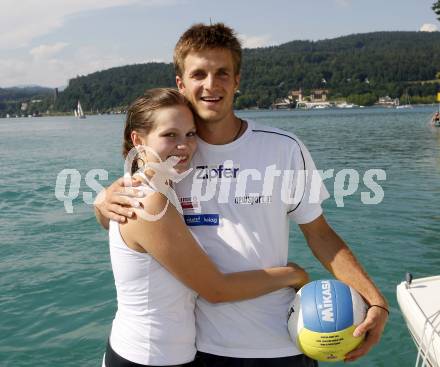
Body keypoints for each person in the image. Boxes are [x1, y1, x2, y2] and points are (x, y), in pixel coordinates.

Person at [95, 24, 388, 366]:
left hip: (284, 339)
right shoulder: (170, 156)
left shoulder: (282, 148)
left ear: (237, 80)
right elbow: (129, 221)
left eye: (222, 73)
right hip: (201, 349)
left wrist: (376, 301)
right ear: (181, 83)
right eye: (199, 73)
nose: (211, 84)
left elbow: (321, 234)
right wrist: (101, 203)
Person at [101, 88, 310, 367]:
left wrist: (100, 202)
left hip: (167, 355)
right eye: (169, 135)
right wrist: (292, 274)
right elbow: (216, 289)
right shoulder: (149, 203)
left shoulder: (157, 187)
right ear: (138, 141)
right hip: (147, 358)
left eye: (190, 134)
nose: (184, 146)